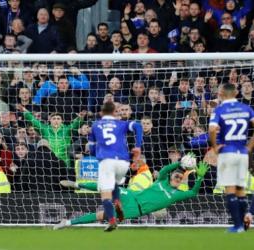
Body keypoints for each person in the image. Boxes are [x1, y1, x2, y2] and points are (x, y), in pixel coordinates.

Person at [54, 161, 210, 229]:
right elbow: (163, 170)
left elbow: (193, 192)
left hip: (135, 210)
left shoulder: (177, 194)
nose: (177, 178)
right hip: (131, 195)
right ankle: (77, 184)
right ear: (171, 177)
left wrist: (200, 177)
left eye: (180, 177)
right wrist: (179, 164)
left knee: (100, 215)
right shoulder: (161, 180)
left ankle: (67, 223)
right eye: (176, 176)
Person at [86, 101, 143, 232]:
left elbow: (92, 149)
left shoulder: (95, 125)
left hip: (106, 161)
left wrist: (98, 153)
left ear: (101, 113)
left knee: (105, 195)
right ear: (114, 112)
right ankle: (117, 200)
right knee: (115, 183)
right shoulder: (121, 123)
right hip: (123, 162)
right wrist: (138, 146)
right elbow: (138, 126)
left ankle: (111, 220)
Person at [209, 83, 254, 233]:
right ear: (235, 93)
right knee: (241, 189)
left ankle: (238, 226)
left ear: (221, 93)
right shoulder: (246, 108)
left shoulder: (219, 109)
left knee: (230, 188)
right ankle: (245, 218)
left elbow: (212, 129)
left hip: (227, 151)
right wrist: (249, 146)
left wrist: (215, 146)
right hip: (243, 153)